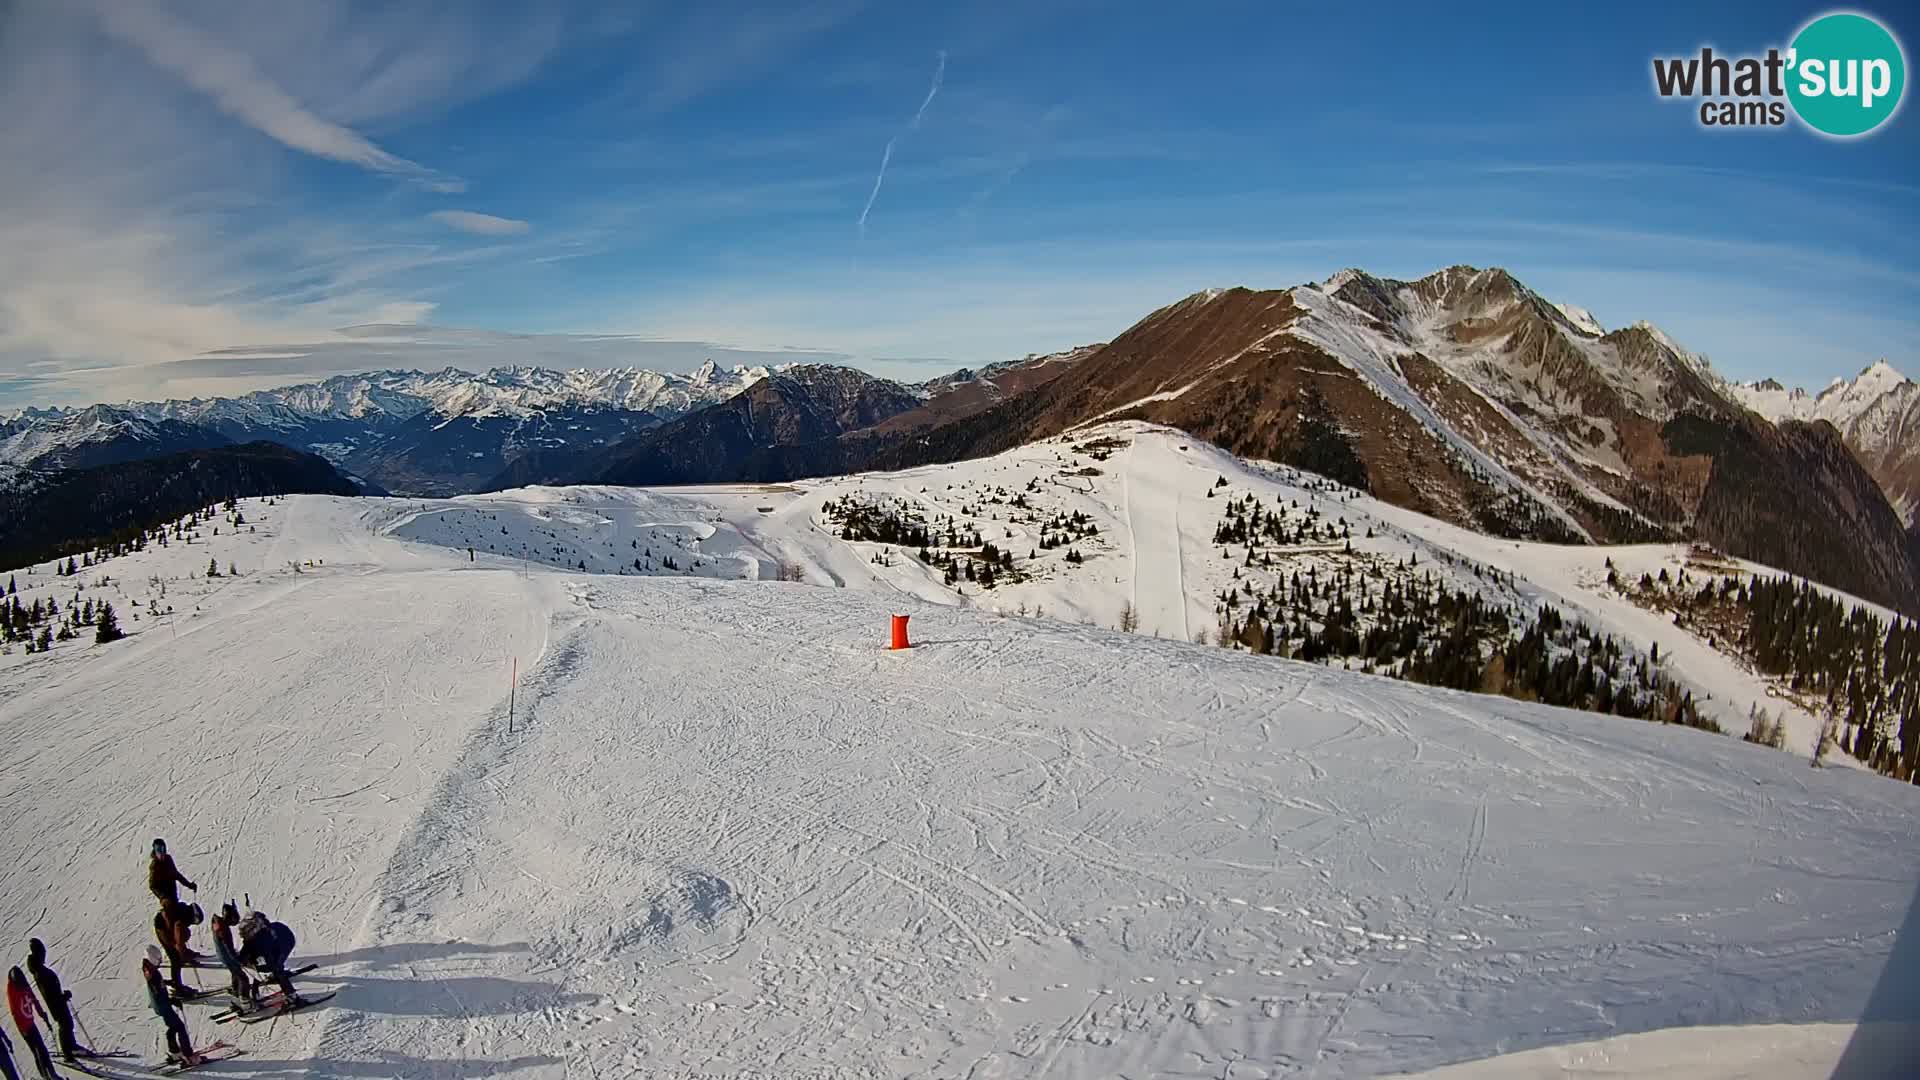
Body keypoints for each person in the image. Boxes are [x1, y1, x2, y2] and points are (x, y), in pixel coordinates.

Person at [22, 942, 82, 1062]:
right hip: (56, 1004)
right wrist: (63, 997)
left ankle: (71, 1046)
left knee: (68, 1024)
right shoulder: (40, 973)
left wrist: (62, 996)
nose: (44, 954)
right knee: (64, 1025)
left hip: (58, 1001)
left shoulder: (40, 968)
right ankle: (68, 1054)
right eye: (42, 952)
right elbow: (50, 995)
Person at [140, 948, 196, 1067]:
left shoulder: (149, 968)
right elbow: (158, 992)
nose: (160, 961)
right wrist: (171, 1000)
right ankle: (188, 1054)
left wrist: (167, 982)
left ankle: (174, 1051)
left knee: (173, 1027)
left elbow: (158, 985)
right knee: (180, 1027)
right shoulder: (152, 973)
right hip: (163, 1006)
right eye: (158, 959)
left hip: (160, 1006)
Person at [236, 911, 302, 1007]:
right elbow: (248, 947)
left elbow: (269, 964)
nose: (242, 935)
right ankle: (260, 988)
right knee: (258, 964)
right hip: (278, 936)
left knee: (277, 968)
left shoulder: (263, 941)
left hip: (286, 942)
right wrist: (241, 958)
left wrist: (254, 964)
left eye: (245, 932)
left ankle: (292, 996)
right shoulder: (252, 937)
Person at [3, 969, 55, 1080]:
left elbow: (34, 999)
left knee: (42, 1049)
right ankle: (45, 1075)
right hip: (24, 1027)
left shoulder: (24, 983)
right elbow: (15, 1012)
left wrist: (42, 1014)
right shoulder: (12, 991)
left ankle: (51, 1073)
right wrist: (23, 1029)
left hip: (30, 1022)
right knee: (37, 1051)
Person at [152, 902, 204, 993]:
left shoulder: (183, 910)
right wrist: (182, 954)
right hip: (162, 928)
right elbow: (178, 939)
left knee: (182, 938)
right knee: (175, 958)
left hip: (165, 924)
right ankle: (177, 985)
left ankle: (183, 955)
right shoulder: (182, 920)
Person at [209, 903, 254, 1007]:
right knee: (243, 977)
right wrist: (235, 959)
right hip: (227, 956)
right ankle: (244, 1000)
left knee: (235, 972)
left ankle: (235, 990)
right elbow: (227, 947)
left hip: (223, 955)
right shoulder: (222, 929)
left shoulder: (219, 924)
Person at [147, 839, 197, 909]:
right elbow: (152, 885)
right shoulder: (154, 866)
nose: (161, 853)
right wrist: (163, 897)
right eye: (158, 850)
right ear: (155, 851)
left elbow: (176, 875)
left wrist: (189, 885)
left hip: (173, 896)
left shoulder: (168, 859)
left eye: (163, 849)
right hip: (166, 901)